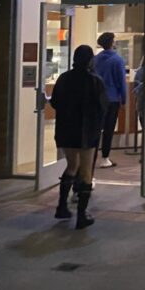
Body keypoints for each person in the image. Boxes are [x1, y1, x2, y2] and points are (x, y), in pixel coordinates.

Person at [49, 45, 107, 229]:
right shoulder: (95, 81)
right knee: (86, 171)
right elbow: (102, 106)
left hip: (66, 130)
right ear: (90, 59)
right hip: (87, 131)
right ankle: (82, 215)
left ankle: (62, 206)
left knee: (72, 165)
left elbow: (55, 102)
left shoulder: (64, 78)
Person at [93, 32, 127, 168]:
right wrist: (124, 100)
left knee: (96, 128)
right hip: (112, 99)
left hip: (96, 99)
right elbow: (121, 82)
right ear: (112, 43)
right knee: (108, 129)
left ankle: (92, 155)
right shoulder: (117, 60)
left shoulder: (95, 59)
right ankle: (105, 157)